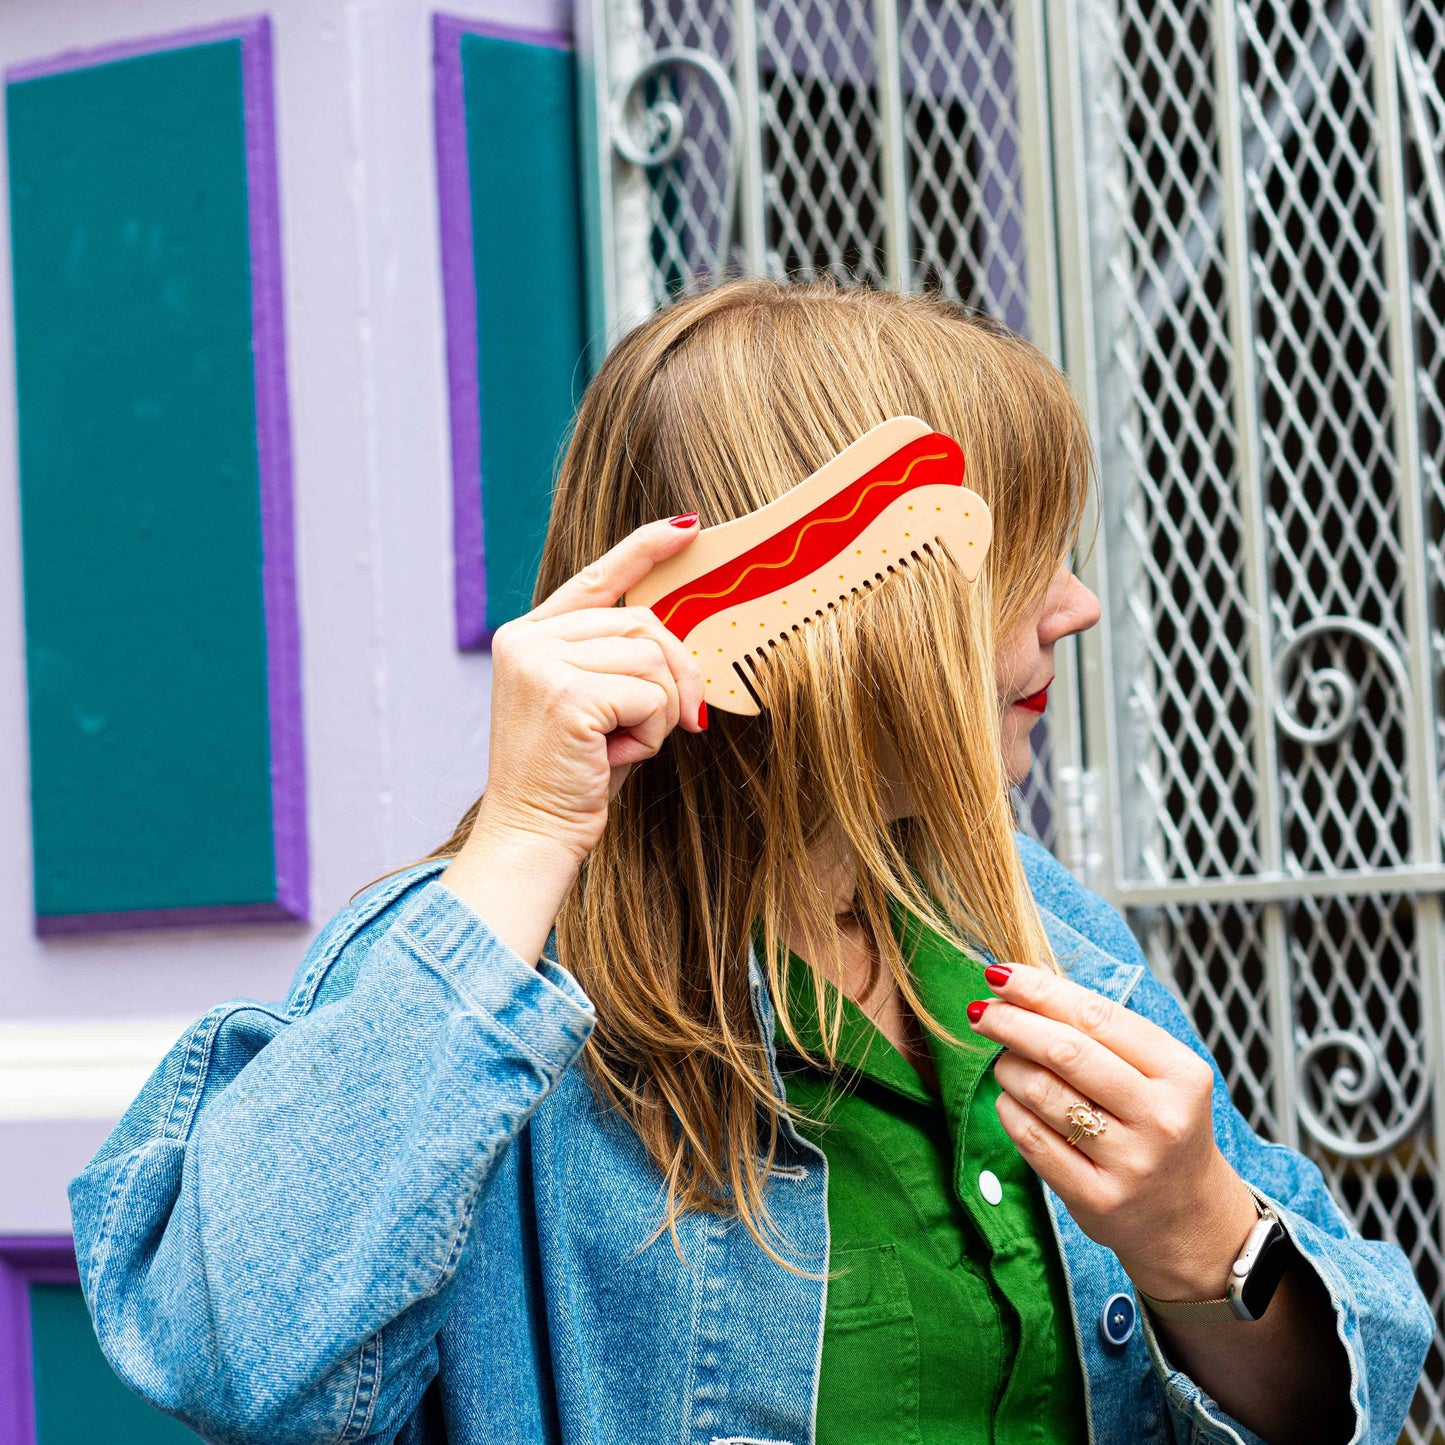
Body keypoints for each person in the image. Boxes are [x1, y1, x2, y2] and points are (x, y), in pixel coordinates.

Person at [71, 281, 1430, 1445]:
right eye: (1018, 558)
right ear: (832, 611)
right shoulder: (467, 974)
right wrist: (529, 833)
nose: (1075, 608)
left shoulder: (1034, 922)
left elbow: (1332, 1386)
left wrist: (1204, 1236)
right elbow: (237, 1357)